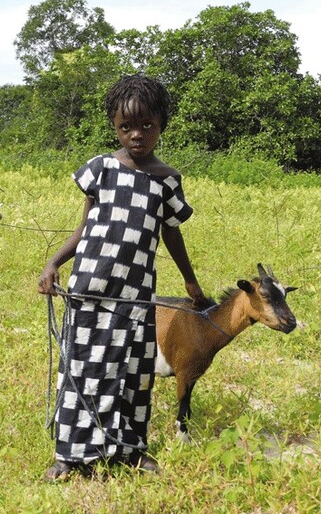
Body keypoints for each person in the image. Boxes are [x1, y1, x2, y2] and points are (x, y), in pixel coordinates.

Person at [37, 74, 208, 481]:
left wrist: (190, 281)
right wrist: (52, 263)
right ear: (114, 126)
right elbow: (83, 230)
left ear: (161, 125)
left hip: (135, 297)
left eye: (146, 126)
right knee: (81, 369)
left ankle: (129, 450)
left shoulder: (166, 179)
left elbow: (171, 231)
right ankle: (69, 455)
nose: (136, 135)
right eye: (126, 127)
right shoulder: (101, 169)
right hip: (88, 290)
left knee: (131, 371)